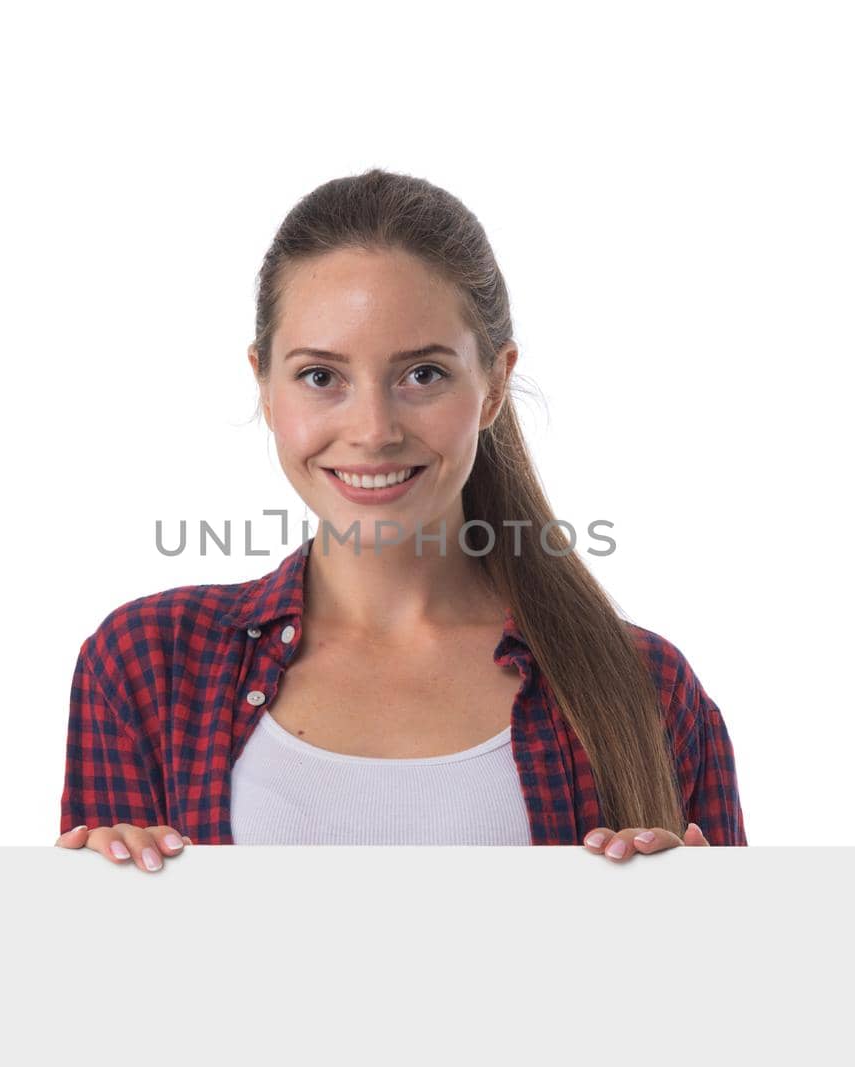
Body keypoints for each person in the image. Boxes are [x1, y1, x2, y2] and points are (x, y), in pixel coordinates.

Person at [55, 168, 746, 872]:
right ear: (264, 385)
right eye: (321, 376)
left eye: (423, 374)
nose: (374, 430)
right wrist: (95, 888)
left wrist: (685, 907)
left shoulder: (645, 688)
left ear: (494, 385)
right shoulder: (147, 664)